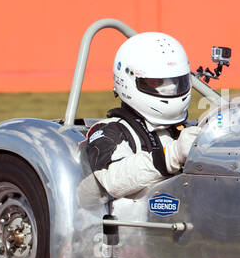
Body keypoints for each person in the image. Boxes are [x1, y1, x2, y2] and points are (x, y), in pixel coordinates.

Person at [85, 32, 202, 199]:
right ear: (128, 81)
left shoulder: (187, 128)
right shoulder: (110, 130)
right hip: (139, 220)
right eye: (157, 83)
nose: (169, 89)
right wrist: (172, 155)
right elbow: (114, 180)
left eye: (175, 82)